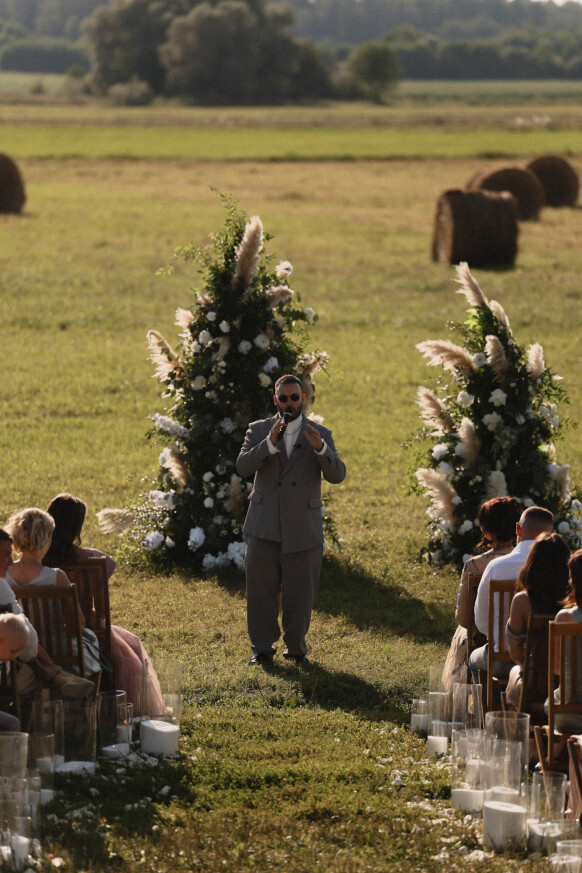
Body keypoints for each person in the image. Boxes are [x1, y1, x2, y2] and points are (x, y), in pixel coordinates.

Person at [236, 373, 346, 666]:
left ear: (303, 399)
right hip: (264, 524)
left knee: (300, 593)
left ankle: (296, 649)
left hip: (302, 526)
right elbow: (243, 467)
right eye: (283, 398)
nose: (289, 403)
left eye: (294, 398)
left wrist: (321, 449)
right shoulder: (258, 430)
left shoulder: (320, 433)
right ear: (275, 400)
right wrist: (269, 444)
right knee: (260, 591)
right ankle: (262, 649)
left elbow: (338, 475)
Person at [43, 493, 164, 716]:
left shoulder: (36, 563)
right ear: (76, 528)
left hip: (44, 631)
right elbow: (100, 610)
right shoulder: (92, 560)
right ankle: (115, 708)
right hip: (85, 630)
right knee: (131, 645)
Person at [5, 507, 102, 678]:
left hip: (19, 653)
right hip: (60, 651)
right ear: (48, 539)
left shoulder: (4, 576)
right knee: (91, 638)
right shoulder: (57, 577)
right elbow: (78, 624)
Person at [0, 527, 94, 699]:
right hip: (6, 675)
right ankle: (57, 678)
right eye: (6, 555)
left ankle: (57, 676)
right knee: (31, 663)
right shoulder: (2, 587)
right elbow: (28, 637)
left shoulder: (8, 579)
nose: (11, 562)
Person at [441, 496, 522, 691]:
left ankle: (476, 701)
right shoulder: (527, 563)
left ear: (485, 531)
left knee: (464, 634)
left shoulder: (474, 566)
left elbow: (464, 618)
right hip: (522, 644)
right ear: (516, 528)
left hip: (483, 642)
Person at [470, 505, 554, 683]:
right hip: (546, 662)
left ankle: (489, 701)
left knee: (473, 661)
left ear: (518, 529)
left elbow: (481, 622)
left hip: (502, 660)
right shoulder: (560, 569)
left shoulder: (497, 567)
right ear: (552, 534)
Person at [505, 532, 570, 708]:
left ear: (532, 563)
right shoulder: (572, 602)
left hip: (534, 684)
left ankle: (516, 720)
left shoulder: (522, 601)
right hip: (567, 683)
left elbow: (515, 653)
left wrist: (529, 664)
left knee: (514, 672)